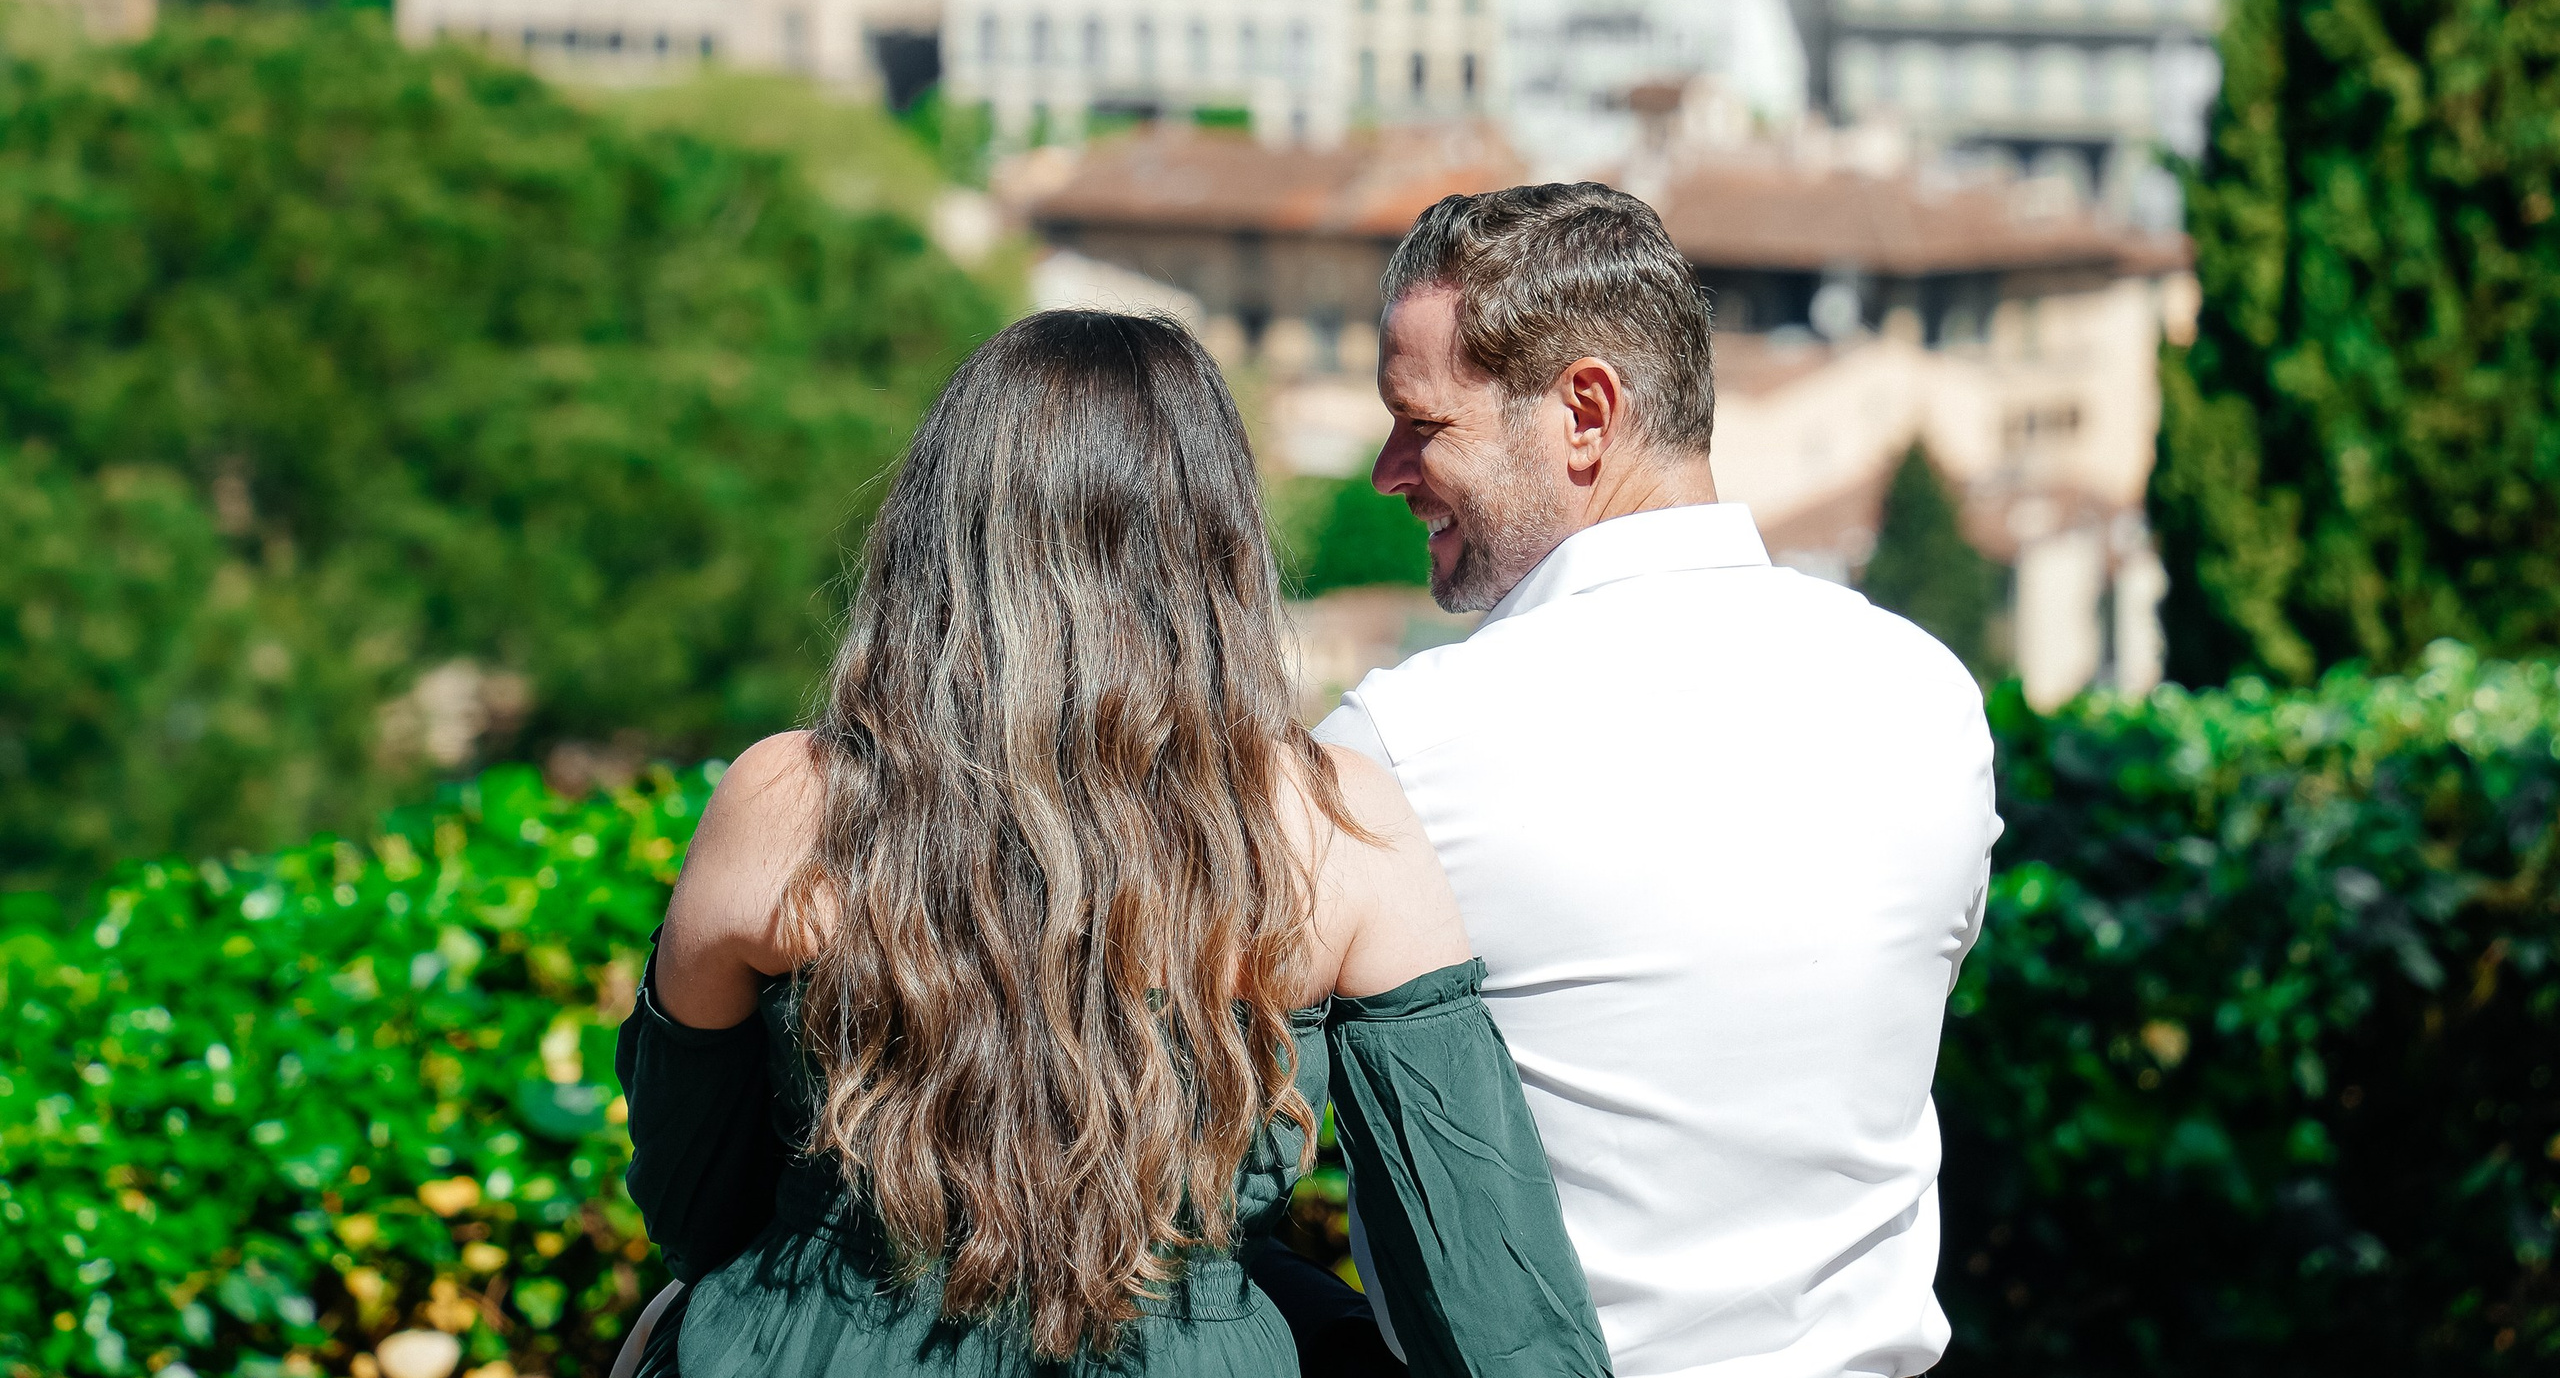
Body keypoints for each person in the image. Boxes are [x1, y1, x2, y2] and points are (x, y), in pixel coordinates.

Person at [614, 309, 1610, 1378]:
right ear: (1217, 544)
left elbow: (693, 1204)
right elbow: (1489, 1297)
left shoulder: (787, 802)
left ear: (935, 530)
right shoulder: (1333, 827)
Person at [1318, 185, 2000, 1378]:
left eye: (1421, 424)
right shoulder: (1929, 697)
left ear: (1584, 411)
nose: (1388, 470)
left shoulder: (1398, 750)